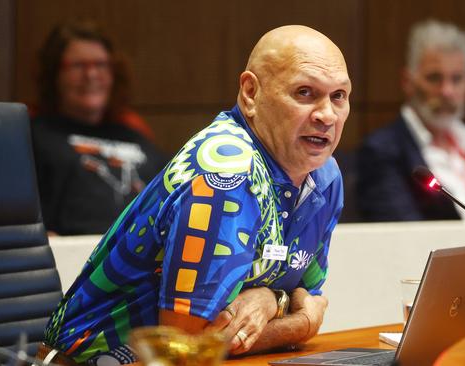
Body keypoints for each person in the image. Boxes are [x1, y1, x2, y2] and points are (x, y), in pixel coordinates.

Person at [40, 25, 351, 365]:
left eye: (338, 96)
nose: (327, 115)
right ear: (250, 93)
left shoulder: (323, 178)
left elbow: (307, 295)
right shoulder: (226, 176)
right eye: (304, 92)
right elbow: (186, 348)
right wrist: (299, 325)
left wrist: (270, 300)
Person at [356, 19, 465, 222]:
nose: (447, 91)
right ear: (407, 82)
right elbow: (405, 234)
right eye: (435, 78)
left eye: (457, 79)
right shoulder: (381, 150)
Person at [30, 19, 168, 235]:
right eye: (78, 66)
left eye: (101, 65)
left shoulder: (135, 135)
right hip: (74, 253)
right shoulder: (34, 134)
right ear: (54, 74)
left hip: (143, 252)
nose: (91, 75)